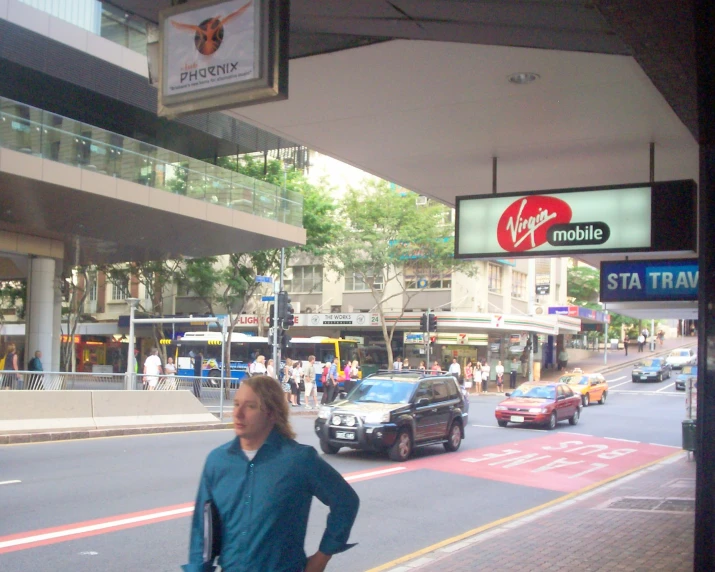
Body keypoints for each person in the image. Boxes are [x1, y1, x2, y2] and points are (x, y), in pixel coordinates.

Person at [182, 376, 359, 572]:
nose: (238, 414)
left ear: (272, 414)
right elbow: (203, 532)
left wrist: (321, 557)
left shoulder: (299, 460)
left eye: (250, 406)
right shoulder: (217, 462)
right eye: (236, 404)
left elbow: (345, 501)